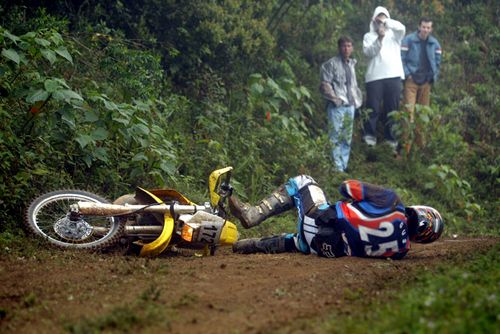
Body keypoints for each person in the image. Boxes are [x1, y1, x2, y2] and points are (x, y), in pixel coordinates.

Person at [229, 175, 444, 259]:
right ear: (421, 238)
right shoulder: (401, 252)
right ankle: (248, 245)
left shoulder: (392, 201)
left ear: (419, 210)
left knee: (304, 181)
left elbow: (346, 187)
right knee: (297, 242)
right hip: (322, 249)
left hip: (319, 221)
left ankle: (253, 214)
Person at [362, 6, 406, 153]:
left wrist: (386, 22)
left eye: (383, 17)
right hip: (374, 77)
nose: (379, 22)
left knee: (392, 109)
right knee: (372, 109)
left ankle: (391, 141)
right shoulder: (368, 36)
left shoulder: (394, 34)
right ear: (373, 20)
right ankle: (369, 138)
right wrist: (379, 38)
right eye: (378, 18)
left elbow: (402, 28)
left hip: (393, 76)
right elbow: (369, 52)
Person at [320, 36, 363, 173]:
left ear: (352, 48)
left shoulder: (352, 64)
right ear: (339, 47)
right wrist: (335, 99)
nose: (346, 49)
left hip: (350, 106)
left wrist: (356, 101)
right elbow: (325, 84)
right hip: (337, 106)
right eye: (344, 46)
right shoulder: (331, 64)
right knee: (335, 136)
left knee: (347, 137)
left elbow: (353, 86)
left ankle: (343, 166)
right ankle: (336, 167)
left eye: (349, 46)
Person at [401, 17, 442, 154]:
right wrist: (408, 74)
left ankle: (419, 150)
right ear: (419, 27)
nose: (425, 30)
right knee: (409, 114)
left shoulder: (434, 43)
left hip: (426, 82)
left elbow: (437, 62)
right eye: (424, 27)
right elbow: (401, 59)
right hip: (412, 81)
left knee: (422, 115)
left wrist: (432, 76)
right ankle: (405, 149)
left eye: (428, 27)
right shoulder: (408, 40)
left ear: (431, 29)